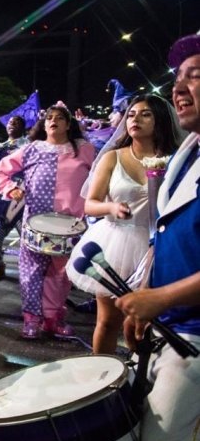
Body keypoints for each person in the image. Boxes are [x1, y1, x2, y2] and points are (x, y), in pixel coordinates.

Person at [115, 34, 200, 441]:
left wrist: (162, 299)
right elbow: (164, 239)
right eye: (178, 79)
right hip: (169, 328)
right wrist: (145, 300)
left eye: (196, 75)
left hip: (196, 337)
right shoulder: (188, 154)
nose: (179, 88)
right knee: (142, 439)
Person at [66, 94, 181, 355]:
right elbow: (89, 204)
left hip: (158, 247)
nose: (135, 119)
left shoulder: (175, 160)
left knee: (148, 325)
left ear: (160, 120)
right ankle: (101, 380)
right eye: (131, 114)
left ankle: (141, 377)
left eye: (145, 114)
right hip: (115, 244)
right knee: (108, 322)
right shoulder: (113, 158)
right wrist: (111, 207)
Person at [0, 103, 96, 339]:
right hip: (35, 224)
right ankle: (31, 320)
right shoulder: (32, 149)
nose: (53, 121)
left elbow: (99, 178)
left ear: (69, 125)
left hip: (70, 225)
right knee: (31, 271)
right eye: (49, 117)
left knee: (61, 274)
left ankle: (53, 319)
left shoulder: (84, 150)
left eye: (59, 117)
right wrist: (11, 189)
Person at [0, 115, 30, 281]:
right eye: (10, 122)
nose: (12, 125)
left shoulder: (29, 146)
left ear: (23, 127)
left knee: (27, 240)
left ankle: (30, 271)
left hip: (21, 203)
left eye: (17, 123)